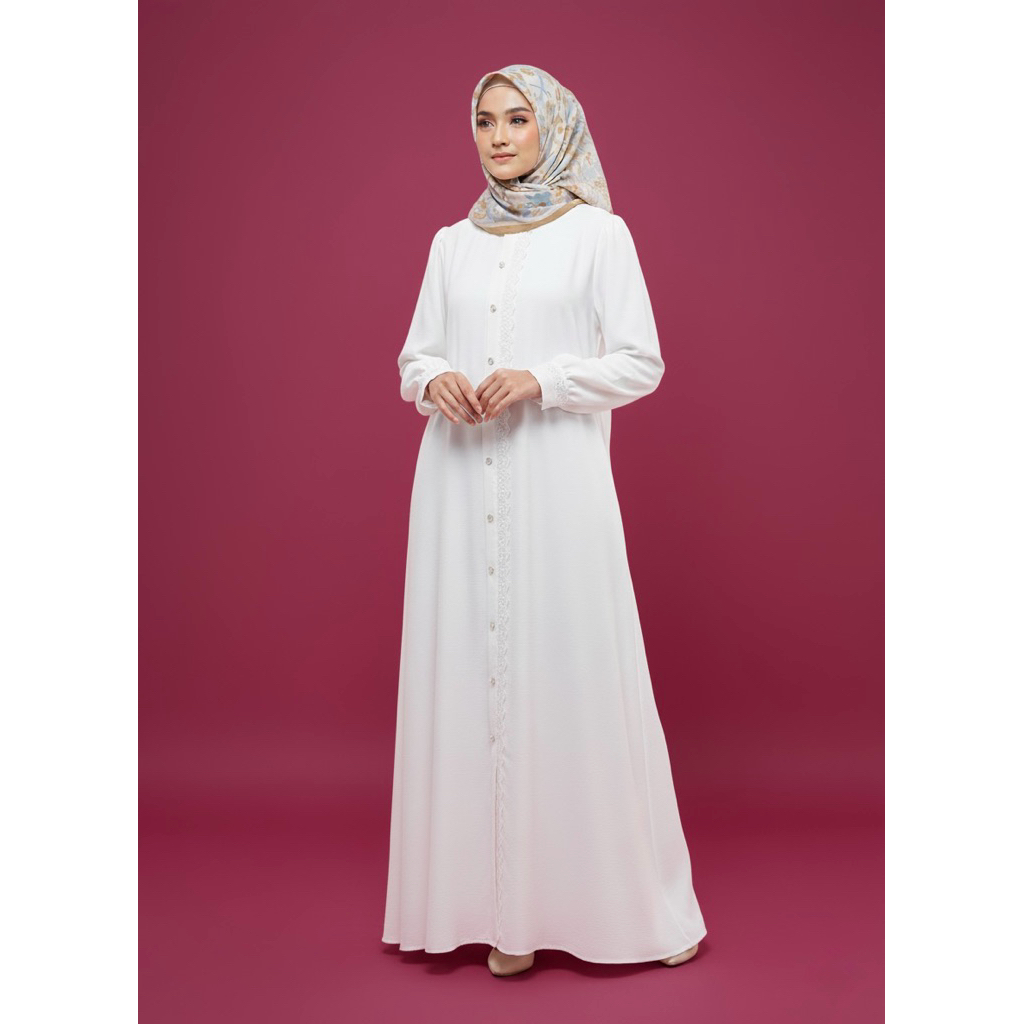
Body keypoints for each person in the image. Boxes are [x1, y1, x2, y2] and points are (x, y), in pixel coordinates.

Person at [382, 64, 707, 978]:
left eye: (517, 119)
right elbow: (414, 355)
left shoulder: (600, 235)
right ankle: (501, 918)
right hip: (456, 483)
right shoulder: (452, 243)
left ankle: (630, 907)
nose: (498, 137)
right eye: (485, 121)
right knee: (470, 677)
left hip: (558, 486)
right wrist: (434, 381)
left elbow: (641, 362)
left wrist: (544, 380)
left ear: (552, 128)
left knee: (574, 675)